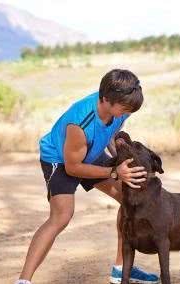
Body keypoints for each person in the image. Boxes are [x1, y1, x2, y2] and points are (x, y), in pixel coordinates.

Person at [15, 69, 159, 284]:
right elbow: (73, 167)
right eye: (125, 108)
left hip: (90, 152)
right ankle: (23, 281)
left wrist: (119, 157)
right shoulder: (80, 123)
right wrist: (114, 171)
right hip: (60, 159)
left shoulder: (121, 108)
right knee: (61, 216)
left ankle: (120, 269)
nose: (128, 112)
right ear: (106, 99)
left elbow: (109, 133)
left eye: (131, 109)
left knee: (129, 199)